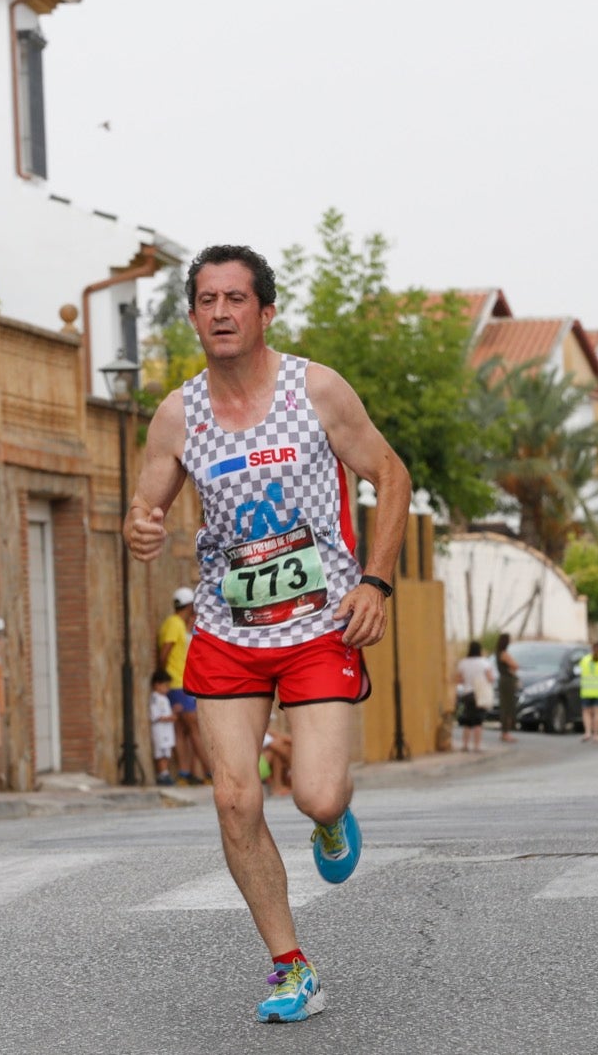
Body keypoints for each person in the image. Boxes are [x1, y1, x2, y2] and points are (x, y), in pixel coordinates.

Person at [125, 244, 411, 1021]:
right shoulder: (178, 415)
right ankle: (292, 968)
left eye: (235, 299)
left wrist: (376, 581)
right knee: (233, 797)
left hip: (320, 624)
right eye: (207, 300)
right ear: (193, 316)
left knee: (316, 792)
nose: (220, 312)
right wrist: (138, 529)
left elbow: (391, 476)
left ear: (265, 311)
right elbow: (145, 507)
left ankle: (332, 818)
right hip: (227, 628)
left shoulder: (315, 390)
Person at [158, 587, 209, 785]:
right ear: (189, 606)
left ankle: (185, 773)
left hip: (178, 683)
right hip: (178, 683)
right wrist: (163, 675)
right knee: (195, 728)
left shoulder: (176, 624)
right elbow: (166, 651)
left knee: (181, 730)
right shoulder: (175, 623)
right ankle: (210, 772)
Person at [453, 640, 495, 753]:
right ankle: (477, 746)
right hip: (479, 694)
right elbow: (490, 678)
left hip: (467, 693)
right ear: (479, 650)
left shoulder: (463, 662)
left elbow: (459, 679)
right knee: (478, 722)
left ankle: (465, 745)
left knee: (467, 721)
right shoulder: (484, 662)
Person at [147, 669, 178, 786]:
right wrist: (170, 718)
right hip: (160, 730)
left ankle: (165, 772)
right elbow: (156, 716)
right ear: (157, 685)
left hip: (167, 730)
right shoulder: (155, 698)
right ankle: (162, 774)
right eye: (165, 686)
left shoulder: (164, 698)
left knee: (166, 752)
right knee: (161, 752)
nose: (167, 689)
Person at [577, 639, 598, 742]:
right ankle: (596, 735)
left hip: (587, 691)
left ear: (591, 649)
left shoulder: (584, 660)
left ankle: (587, 732)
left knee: (586, 712)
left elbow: (578, 671)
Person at [494, 633, 520, 742]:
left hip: (504, 680)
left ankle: (505, 732)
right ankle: (506, 733)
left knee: (505, 706)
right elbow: (515, 665)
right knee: (508, 707)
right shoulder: (504, 654)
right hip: (507, 682)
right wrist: (512, 669)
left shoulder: (498, 653)